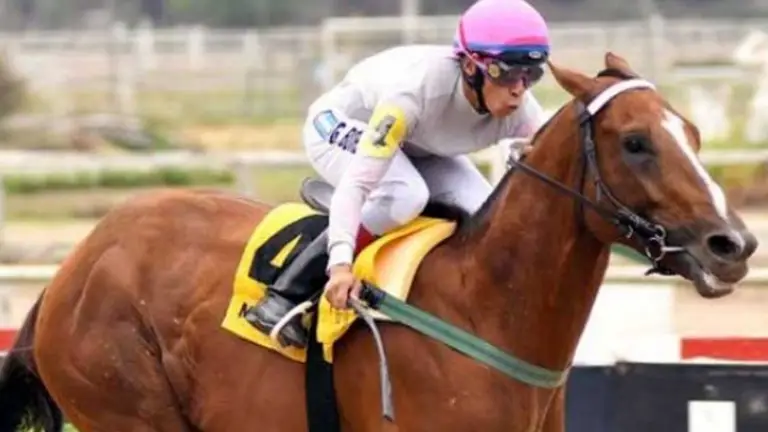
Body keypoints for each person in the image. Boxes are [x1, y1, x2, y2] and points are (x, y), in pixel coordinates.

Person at [244, 0, 551, 348]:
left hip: (415, 147)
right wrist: (341, 266)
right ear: (470, 66)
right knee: (405, 195)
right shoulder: (413, 93)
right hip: (339, 125)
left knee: (485, 214)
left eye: (531, 74)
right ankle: (285, 294)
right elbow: (358, 184)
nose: (518, 88)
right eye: (506, 72)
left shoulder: (524, 112)